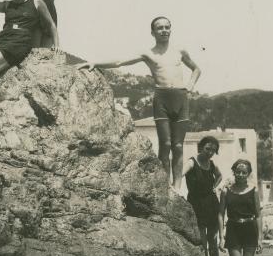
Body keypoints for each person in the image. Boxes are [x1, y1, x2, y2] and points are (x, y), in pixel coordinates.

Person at [77, 17, 201, 194]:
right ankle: (165, 186)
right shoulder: (148, 53)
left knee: (178, 146)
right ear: (153, 32)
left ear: (171, 30)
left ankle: (178, 187)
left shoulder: (179, 50)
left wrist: (190, 85)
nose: (164, 30)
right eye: (160, 28)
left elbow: (196, 69)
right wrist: (96, 63)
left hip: (180, 98)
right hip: (162, 98)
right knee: (165, 144)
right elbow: (120, 61)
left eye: (167, 27)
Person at [182, 136, 222, 256]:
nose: (210, 153)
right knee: (202, 239)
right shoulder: (192, 162)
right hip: (196, 202)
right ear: (201, 148)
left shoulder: (212, 164)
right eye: (208, 149)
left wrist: (215, 187)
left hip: (211, 203)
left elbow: (220, 176)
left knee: (212, 239)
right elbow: (179, 174)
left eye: (213, 150)